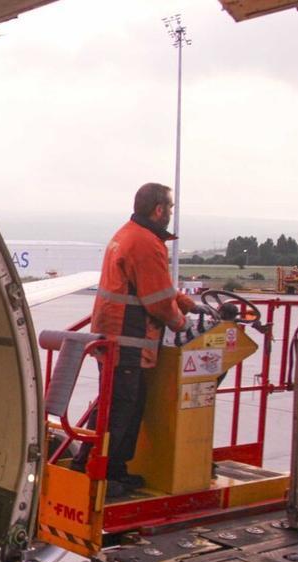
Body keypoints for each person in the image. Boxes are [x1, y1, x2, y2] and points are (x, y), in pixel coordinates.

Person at [80, 182, 207, 497]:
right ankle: (104, 474)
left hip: (115, 336)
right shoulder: (146, 242)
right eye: (170, 209)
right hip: (127, 339)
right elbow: (159, 301)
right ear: (159, 209)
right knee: (123, 406)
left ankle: (100, 465)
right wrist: (183, 324)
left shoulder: (129, 234)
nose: (171, 215)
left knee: (117, 402)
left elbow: (156, 286)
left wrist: (191, 304)